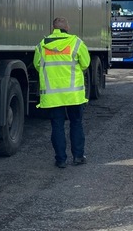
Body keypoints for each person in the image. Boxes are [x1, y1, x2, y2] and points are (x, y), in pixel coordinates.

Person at [34, 17, 91, 168]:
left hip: (53, 96)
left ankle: (61, 160)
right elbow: (85, 63)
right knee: (76, 123)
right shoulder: (76, 42)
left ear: (53, 28)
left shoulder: (42, 45)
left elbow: (37, 65)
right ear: (67, 27)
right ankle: (78, 157)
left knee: (57, 126)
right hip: (73, 95)